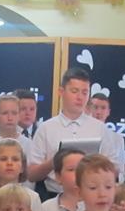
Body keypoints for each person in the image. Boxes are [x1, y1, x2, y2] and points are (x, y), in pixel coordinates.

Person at [28, 68, 115, 197]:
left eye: (85, 92)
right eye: (74, 91)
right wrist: (54, 162)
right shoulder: (46, 128)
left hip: (90, 196)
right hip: (53, 194)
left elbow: (113, 169)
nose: (80, 97)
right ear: (61, 92)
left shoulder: (100, 129)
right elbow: (31, 174)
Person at [87, 92, 125, 181]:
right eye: (95, 107)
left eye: (103, 108)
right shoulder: (80, 133)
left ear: (108, 112)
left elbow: (121, 173)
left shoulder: (118, 139)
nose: (99, 112)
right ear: (88, 109)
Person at [0, 93, 33, 163]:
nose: (10, 118)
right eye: (5, 113)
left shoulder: (29, 145)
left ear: (19, 116)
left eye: (14, 113)